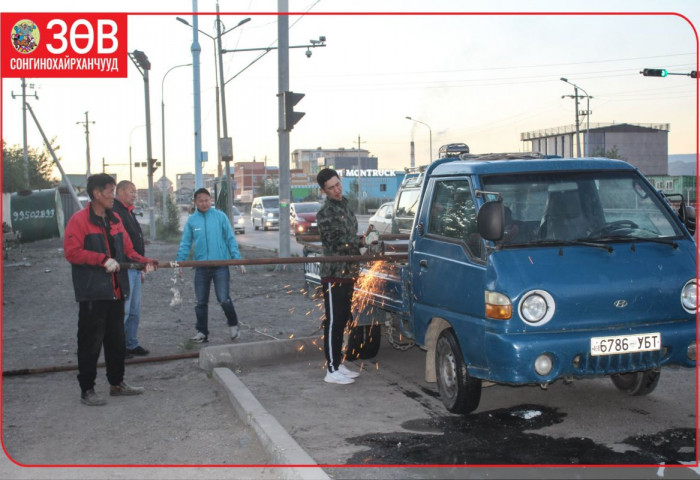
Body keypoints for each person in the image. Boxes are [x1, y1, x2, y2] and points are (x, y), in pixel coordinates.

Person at [63, 173, 158, 406]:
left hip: (116, 292)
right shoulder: (79, 220)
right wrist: (102, 259)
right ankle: (87, 389)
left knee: (116, 341)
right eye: (110, 192)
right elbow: (72, 252)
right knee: (90, 343)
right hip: (93, 294)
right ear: (96, 194)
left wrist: (144, 261)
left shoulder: (115, 219)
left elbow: (127, 250)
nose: (113, 197)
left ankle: (117, 383)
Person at [316, 168, 371, 385]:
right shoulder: (325, 213)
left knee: (343, 319)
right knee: (334, 321)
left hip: (348, 272)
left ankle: (338, 363)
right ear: (324, 191)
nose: (337, 190)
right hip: (333, 273)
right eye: (331, 187)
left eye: (338, 184)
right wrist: (361, 242)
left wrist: (363, 239)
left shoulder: (345, 206)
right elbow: (338, 242)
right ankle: (331, 369)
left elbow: (349, 235)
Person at [176, 188, 242, 343]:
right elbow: (185, 243)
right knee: (200, 302)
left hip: (220, 265)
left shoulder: (220, 217)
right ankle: (202, 332)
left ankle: (233, 325)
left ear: (210, 200)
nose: (204, 203)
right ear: (195, 202)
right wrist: (180, 263)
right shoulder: (192, 221)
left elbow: (230, 239)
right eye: (200, 201)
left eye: (206, 200)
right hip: (201, 266)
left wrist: (237, 258)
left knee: (224, 298)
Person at [112, 180, 149, 357]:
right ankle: (118, 348)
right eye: (131, 191)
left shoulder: (129, 212)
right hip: (123, 268)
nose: (134, 195)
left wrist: (141, 267)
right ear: (119, 192)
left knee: (134, 309)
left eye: (135, 191)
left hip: (135, 266)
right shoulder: (115, 212)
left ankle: (131, 343)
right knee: (124, 310)